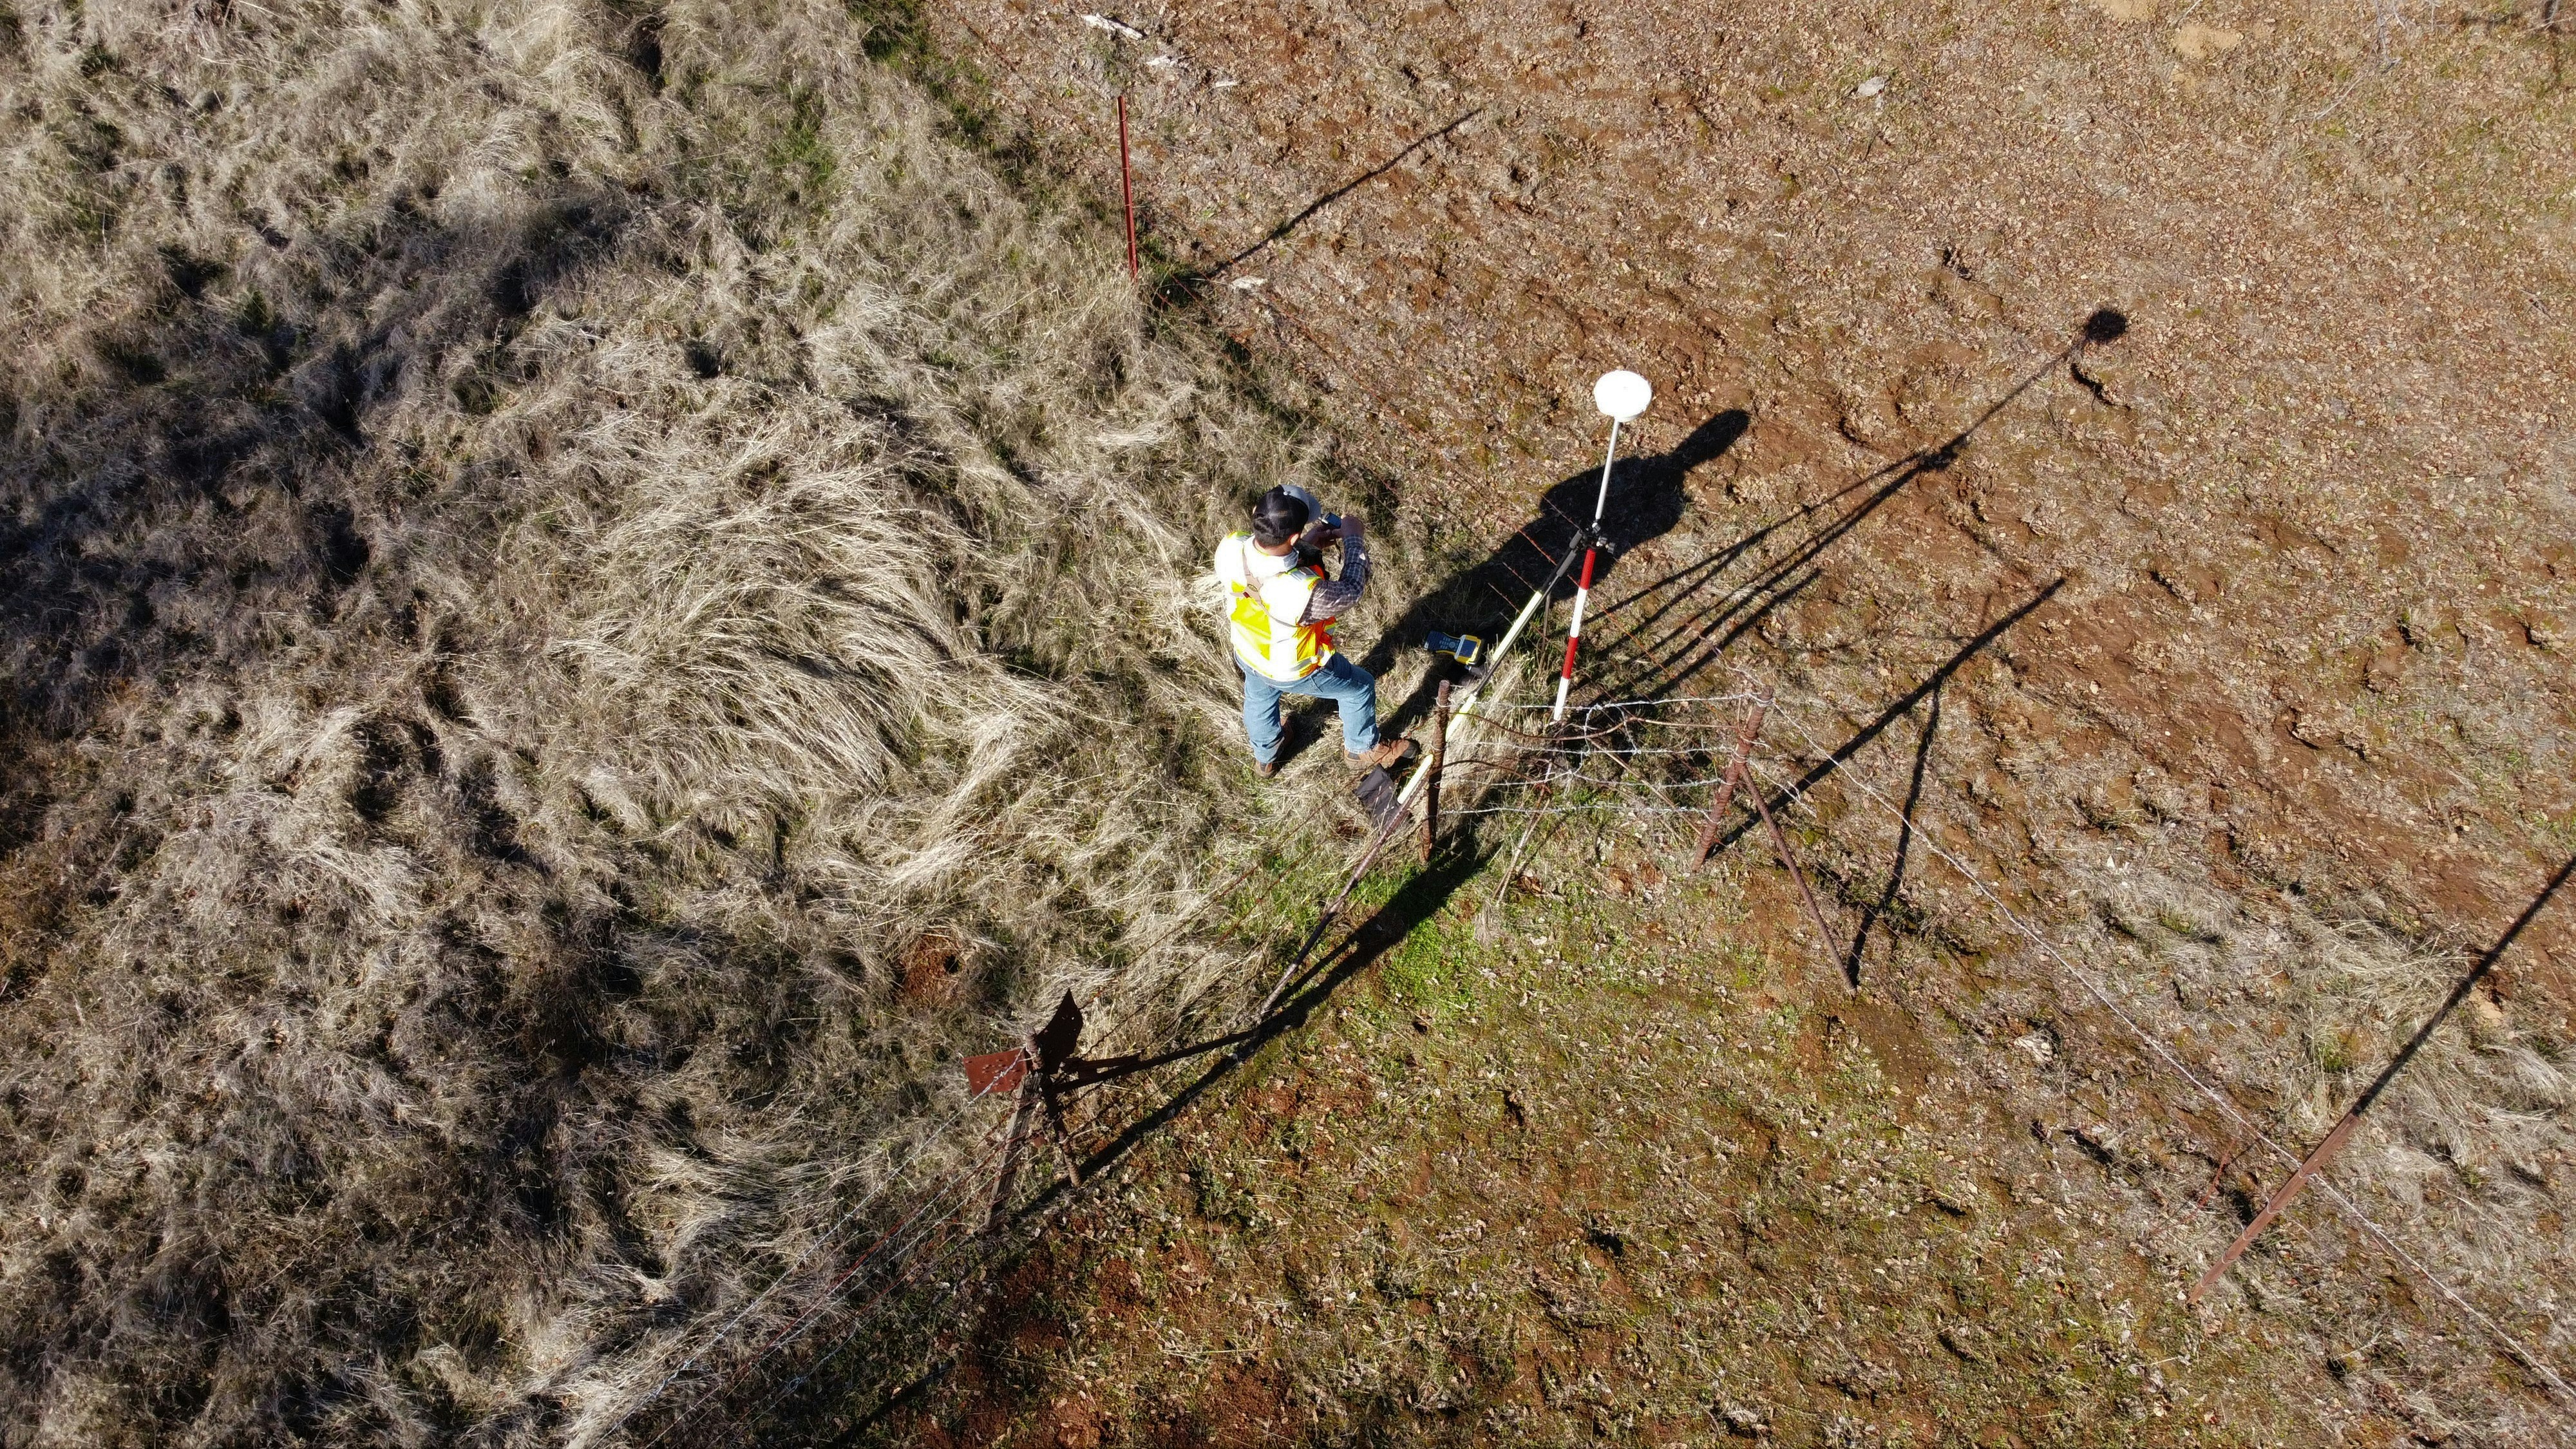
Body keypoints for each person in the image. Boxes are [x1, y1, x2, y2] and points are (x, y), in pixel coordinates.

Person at [1213, 487, 1417, 780]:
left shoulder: (1231, 546)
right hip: (1293, 668)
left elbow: (1268, 570)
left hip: (1248, 650)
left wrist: (1308, 546)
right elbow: (1351, 591)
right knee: (1359, 688)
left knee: (1259, 697)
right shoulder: (1299, 591)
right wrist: (1354, 539)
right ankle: (1361, 749)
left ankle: (1266, 755)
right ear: (1292, 537)